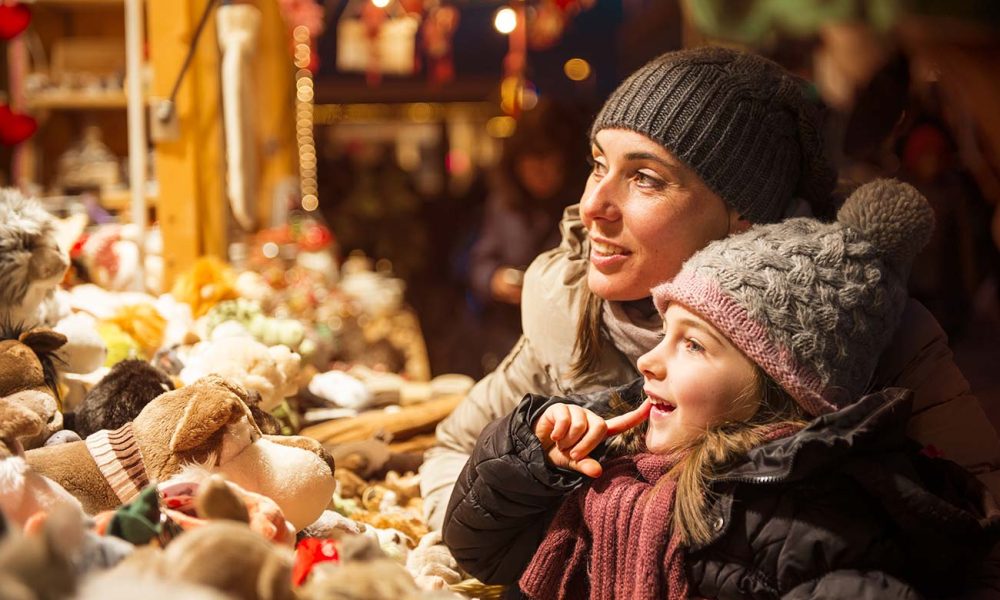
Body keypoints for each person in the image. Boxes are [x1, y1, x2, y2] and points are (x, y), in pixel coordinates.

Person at [420, 46, 1000, 532]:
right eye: (599, 164)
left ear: (743, 216)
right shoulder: (570, 310)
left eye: (645, 178)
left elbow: (982, 526)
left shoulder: (861, 325)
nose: (592, 205)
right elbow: (453, 452)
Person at [444, 180, 1000, 599]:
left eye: (694, 345)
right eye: (666, 333)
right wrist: (535, 464)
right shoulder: (618, 466)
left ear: (781, 384)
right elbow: (481, 552)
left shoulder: (812, 523)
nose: (650, 360)